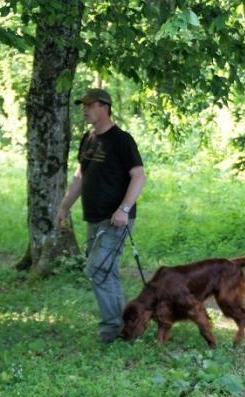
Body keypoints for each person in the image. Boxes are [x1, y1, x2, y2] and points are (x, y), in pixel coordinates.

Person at [55, 88, 147, 343]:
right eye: (83, 105)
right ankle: (126, 327)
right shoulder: (88, 138)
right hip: (94, 218)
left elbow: (139, 176)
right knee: (107, 272)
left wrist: (124, 209)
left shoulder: (121, 140)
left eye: (89, 105)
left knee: (98, 270)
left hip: (115, 218)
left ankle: (111, 330)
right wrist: (64, 207)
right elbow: (80, 176)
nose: (84, 110)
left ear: (104, 107)